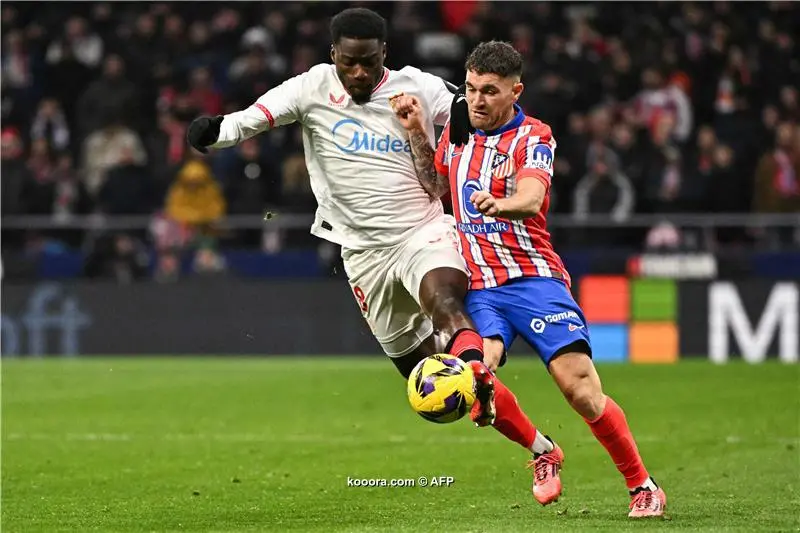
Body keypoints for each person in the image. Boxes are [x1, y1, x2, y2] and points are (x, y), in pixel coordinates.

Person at [186, 8, 547, 468]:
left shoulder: (418, 86)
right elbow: (254, 117)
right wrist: (215, 133)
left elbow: (475, 108)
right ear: (333, 54)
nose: (358, 73)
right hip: (363, 254)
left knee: (445, 304)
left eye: (369, 62)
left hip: (423, 230)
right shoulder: (311, 87)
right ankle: (540, 445)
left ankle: (478, 353)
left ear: (384, 55)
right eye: (349, 62)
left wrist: (522, 144)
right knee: (430, 386)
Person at [391, 40, 667, 518]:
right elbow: (437, 187)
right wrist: (417, 130)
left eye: (490, 91)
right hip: (477, 286)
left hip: (533, 279)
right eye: (472, 88)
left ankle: (642, 484)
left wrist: (503, 204)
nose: (476, 100)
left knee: (579, 389)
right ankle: (543, 452)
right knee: (475, 377)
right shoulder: (458, 133)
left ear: (515, 92)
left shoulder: (533, 136)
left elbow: (533, 196)